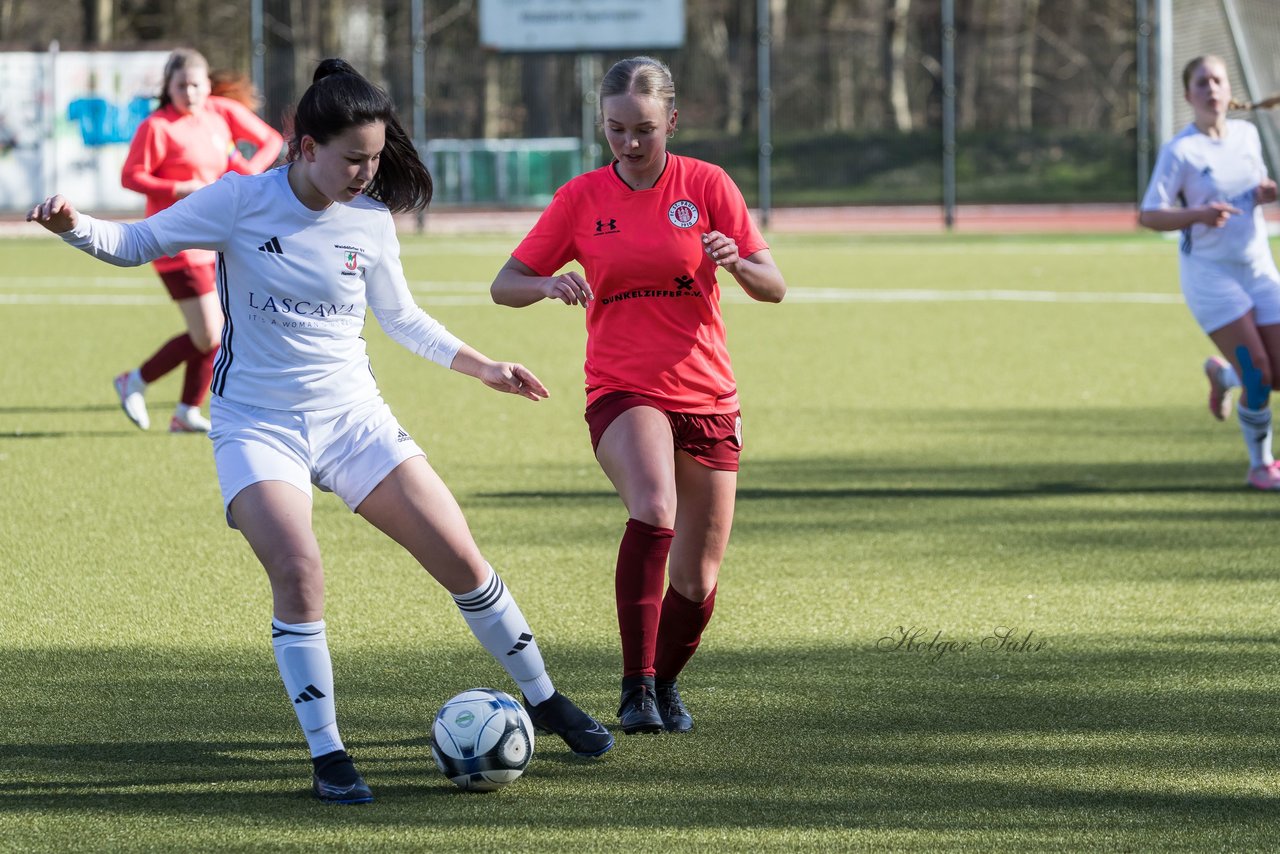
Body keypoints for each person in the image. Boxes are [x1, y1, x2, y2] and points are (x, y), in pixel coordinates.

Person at [29, 58, 613, 805]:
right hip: (256, 426)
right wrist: (71, 224)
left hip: (353, 420)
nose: (367, 173)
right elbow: (136, 242)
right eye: (353, 158)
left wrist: (485, 366)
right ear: (305, 147)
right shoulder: (241, 202)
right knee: (300, 572)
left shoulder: (369, 222)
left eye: (375, 157)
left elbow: (401, 319)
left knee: (461, 555)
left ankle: (544, 698)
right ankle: (329, 753)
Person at [490, 56, 786, 735]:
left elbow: (774, 285)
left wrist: (735, 261)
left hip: (707, 394)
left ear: (671, 123)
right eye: (616, 129)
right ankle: (636, 687)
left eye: (644, 131)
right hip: (623, 388)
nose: (628, 144)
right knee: (654, 507)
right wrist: (545, 285)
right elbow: (505, 283)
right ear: (602, 124)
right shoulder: (581, 199)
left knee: (698, 580)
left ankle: (664, 683)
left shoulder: (707, 185)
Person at [116, 48, 284, 434]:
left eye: (195, 84)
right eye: (180, 85)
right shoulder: (157, 126)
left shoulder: (219, 113)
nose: (189, 92)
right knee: (210, 332)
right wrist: (178, 188)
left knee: (218, 331)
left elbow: (271, 141)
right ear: (168, 88)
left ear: (207, 85)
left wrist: (247, 177)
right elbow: (131, 176)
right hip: (172, 241)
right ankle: (135, 381)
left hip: (215, 240)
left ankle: (187, 411)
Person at [1140, 55, 1280, 490]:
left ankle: (1222, 376)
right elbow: (1149, 214)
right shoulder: (1180, 150)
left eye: (1217, 80)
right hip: (1211, 275)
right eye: (1202, 83)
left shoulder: (1247, 134)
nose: (1211, 89)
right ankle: (1261, 466)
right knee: (1257, 372)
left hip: (1258, 268)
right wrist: (1197, 214)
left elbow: (1253, 189)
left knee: (1277, 373)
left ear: (1227, 88)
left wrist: (1265, 193)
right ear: (1188, 95)